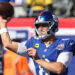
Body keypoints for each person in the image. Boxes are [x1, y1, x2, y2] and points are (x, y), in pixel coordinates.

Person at [0, 2, 75, 75]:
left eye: (44, 25)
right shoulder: (33, 42)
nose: (40, 29)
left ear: (53, 25)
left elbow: (59, 68)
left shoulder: (66, 44)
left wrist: (38, 59)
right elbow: (8, 44)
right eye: (38, 26)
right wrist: (3, 24)